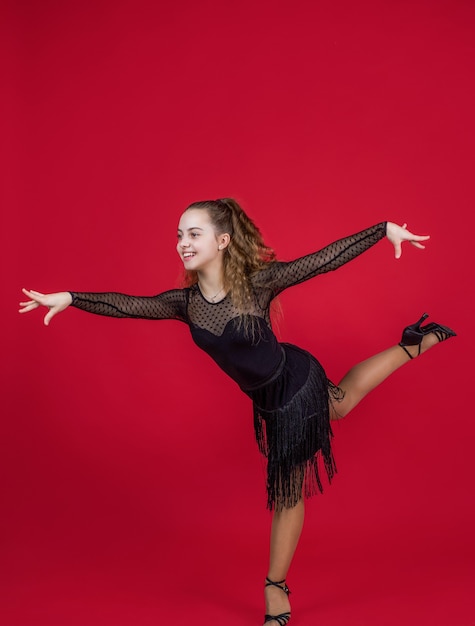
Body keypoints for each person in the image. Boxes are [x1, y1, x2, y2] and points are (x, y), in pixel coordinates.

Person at [19, 198, 456, 626]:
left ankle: (275, 587)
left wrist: (382, 231)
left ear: (223, 240)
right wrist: (71, 298)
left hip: (292, 383)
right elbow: (127, 304)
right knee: (339, 403)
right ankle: (412, 344)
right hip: (266, 397)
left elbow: (322, 260)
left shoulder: (257, 284)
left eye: (194, 234)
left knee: (289, 488)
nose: (182, 243)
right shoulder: (184, 303)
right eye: (178, 235)